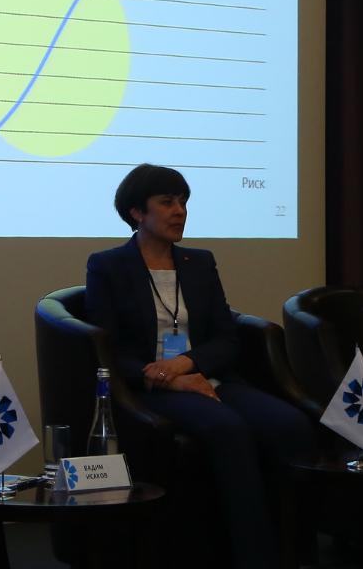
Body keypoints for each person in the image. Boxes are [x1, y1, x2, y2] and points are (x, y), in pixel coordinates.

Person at [84, 162, 315, 567]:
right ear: (137, 212)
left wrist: (186, 364)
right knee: (228, 429)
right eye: (167, 202)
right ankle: (254, 557)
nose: (180, 211)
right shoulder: (107, 266)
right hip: (150, 389)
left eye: (183, 202)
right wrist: (169, 378)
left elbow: (227, 337)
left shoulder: (200, 262)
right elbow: (107, 348)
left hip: (205, 376)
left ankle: (299, 551)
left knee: (291, 424)